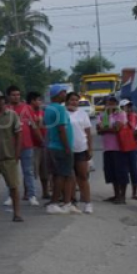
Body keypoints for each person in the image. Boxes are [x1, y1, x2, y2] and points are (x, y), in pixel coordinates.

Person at [0, 90, 23, 223]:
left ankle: (17, 213)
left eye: (1, 99)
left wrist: (17, 153)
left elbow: (18, 135)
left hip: (9, 156)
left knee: (13, 186)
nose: (0, 102)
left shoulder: (12, 115)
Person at [7, 86, 42, 207]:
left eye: (18, 94)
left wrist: (41, 140)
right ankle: (11, 196)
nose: (16, 97)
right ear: (8, 96)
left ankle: (32, 195)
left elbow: (34, 126)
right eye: (13, 95)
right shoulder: (5, 109)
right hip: (10, 146)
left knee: (28, 171)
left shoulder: (27, 108)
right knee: (11, 172)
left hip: (27, 145)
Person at [45, 85, 76, 214]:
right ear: (57, 95)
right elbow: (61, 129)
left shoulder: (49, 108)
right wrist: (67, 147)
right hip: (61, 147)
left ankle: (67, 203)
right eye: (63, 93)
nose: (65, 95)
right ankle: (54, 203)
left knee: (67, 175)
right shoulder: (59, 109)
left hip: (54, 146)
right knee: (61, 175)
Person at [95, 97, 129, 205]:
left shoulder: (121, 113)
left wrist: (104, 128)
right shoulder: (104, 114)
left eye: (112, 103)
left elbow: (117, 128)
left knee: (121, 172)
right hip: (107, 148)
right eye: (108, 103)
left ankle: (122, 196)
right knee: (111, 172)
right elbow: (99, 130)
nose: (110, 105)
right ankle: (116, 195)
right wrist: (109, 128)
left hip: (119, 147)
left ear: (116, 104)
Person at [66, 92, 95, 215]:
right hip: (67, 149)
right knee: (69, 177)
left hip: (81, 148)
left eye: (76, 100)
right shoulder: (63, 114)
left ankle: (88, 203)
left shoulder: (83, 114)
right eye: (72, 100)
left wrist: (90, 148)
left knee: (82, 177)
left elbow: (88, 132)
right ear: (67, 101)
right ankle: (72, 202)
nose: (74, 102)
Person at [28, 92, 51, 202]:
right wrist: (42, 140)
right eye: (38, 100)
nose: (40, 102)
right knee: (31, 170)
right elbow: (33, 128)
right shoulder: (28, 113)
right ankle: (27, 192)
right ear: (32, 101)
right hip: (33, 145)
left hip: (44, 144)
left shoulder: (42, 112)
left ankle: (45, 192)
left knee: (45, 169)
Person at [120, 100, 137, 201]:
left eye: (129, 106)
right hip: (122, 147)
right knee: (123, 172)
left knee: (133, 170)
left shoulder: (133, 116)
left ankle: (134, 193)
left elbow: (132, 126)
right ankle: (123, 194)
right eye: (125, 107)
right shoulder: (118, 117)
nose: (128, 108)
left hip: (133, 147)